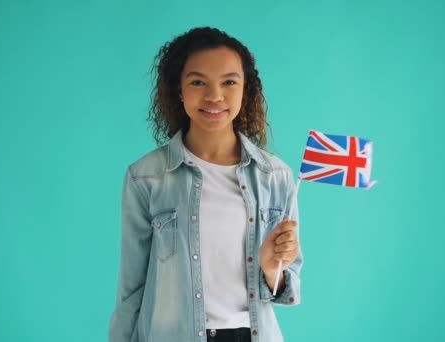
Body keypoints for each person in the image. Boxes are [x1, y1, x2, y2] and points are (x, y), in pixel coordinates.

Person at [109, 27, 303, 342]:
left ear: (246, 90)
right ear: (179, 90)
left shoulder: (275, 176)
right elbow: (131, 288)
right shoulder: (146, 177)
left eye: (229, 82)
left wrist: (272, 269)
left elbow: (286, 286)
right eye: (198, 82)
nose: (214, 96)